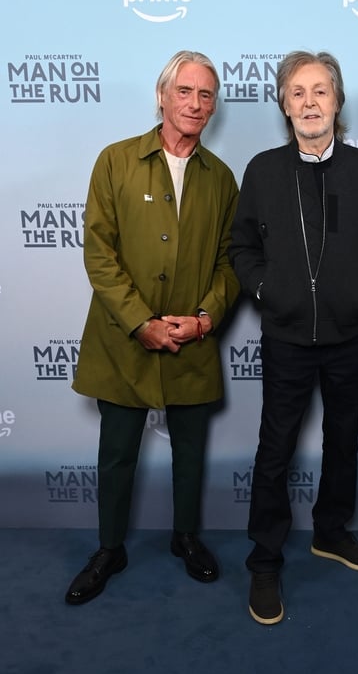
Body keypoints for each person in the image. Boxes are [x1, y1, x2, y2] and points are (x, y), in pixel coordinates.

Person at [229, 50, 358, 625]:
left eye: (320, 91)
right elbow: (242, 246)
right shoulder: (262, 170)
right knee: (275, 448)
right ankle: (265, 557)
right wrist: (266, 289)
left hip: (350, 334)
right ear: (283, 104)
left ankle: (331, 532)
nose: (309, 102)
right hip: (286, 335)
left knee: (343, 439)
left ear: (337, 101)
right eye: (297, 92)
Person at [65, 50, 240, 605]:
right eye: (184, 91)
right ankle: (109, 549)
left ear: (214, 107)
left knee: (191, 452)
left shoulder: (222, 178)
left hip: (193, 340)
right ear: (162, 96)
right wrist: (141, 321)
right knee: (116, 453)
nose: (194, 103)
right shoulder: (114, 161)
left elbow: (231, 262)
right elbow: (99, 253)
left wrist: (205, 318)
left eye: (205, 94)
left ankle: (185, 538)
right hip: (123, 341)